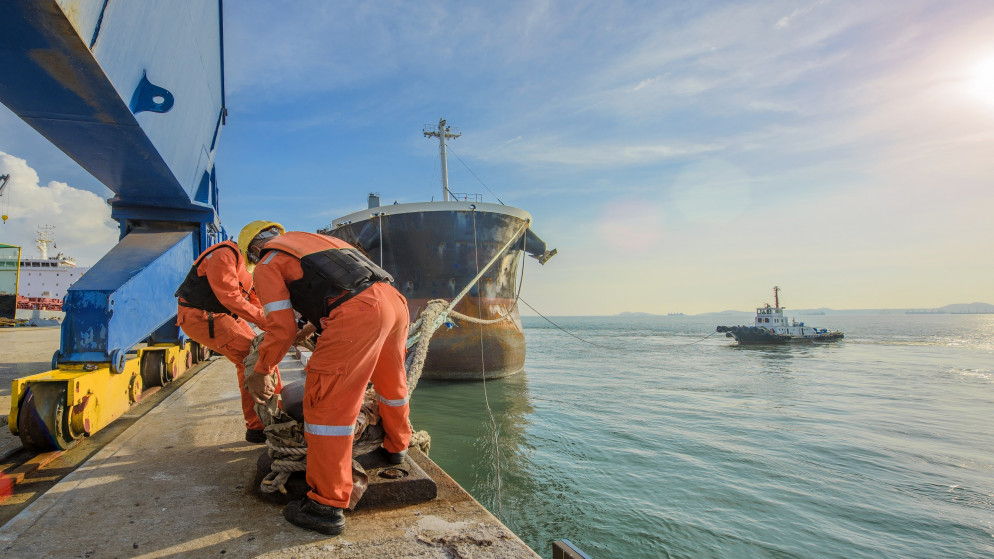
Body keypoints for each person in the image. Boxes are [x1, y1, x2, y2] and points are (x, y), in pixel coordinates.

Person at [242, 226, 412, 536]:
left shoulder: (267, 264)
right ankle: (396, 446)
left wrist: (262, 370)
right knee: (392, 383)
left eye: (251, 256)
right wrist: (308, 326)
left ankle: (326, 506)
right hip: (394, 302)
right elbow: (338, 284)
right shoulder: (317, 243)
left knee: (326, 407)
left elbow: (279, 328)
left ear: (254, 250)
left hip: (358, 312)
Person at [174, 222, 285, 443]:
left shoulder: (249, 266)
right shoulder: (224, 254)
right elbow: (230, 298)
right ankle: (264, 425)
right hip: (202, 317)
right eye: (263, 249)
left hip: (221, 316)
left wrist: (279, 320)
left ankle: (267, 420)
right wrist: (268, 322)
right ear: (251, 244)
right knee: (255, 359)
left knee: (262, 357)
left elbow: (254, 299)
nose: (267, 255)